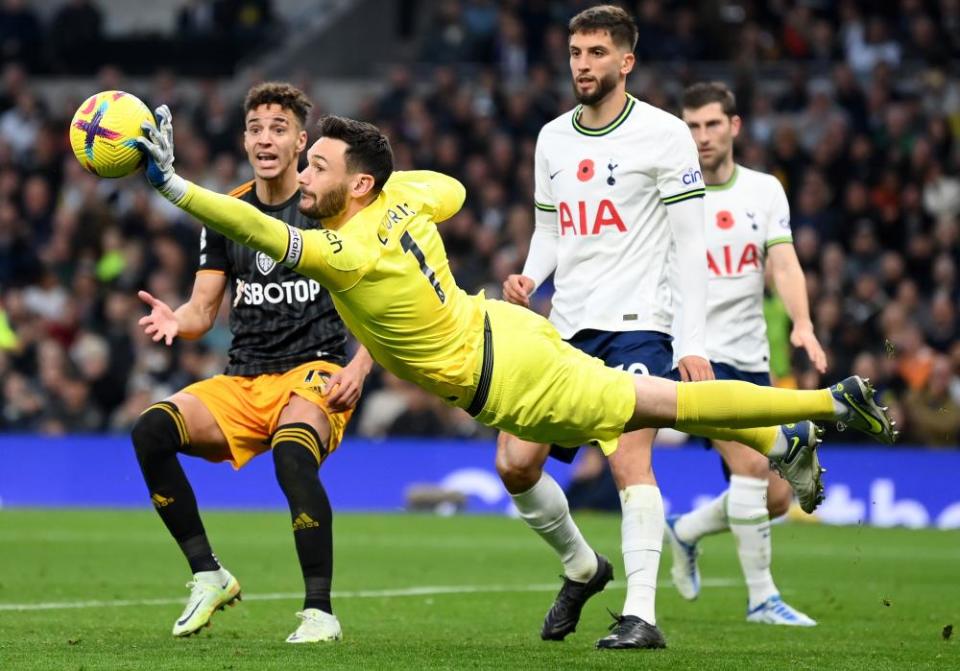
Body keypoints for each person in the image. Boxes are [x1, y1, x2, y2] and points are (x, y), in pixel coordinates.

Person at [135, 103, 896, 649]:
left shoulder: (348, 249)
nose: (303, 173)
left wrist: (173, 186)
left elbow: (257, 227)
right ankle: (775, 438)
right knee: (536, 456)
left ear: (358, 185)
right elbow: (451, 191)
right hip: (506, 327)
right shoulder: (403, 196)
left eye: (318, 164)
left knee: (667, 403)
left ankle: (824, 404)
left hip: (513, 378)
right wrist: (392, 193)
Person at [496, 5, 818, 649]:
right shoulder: (552, 137)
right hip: (565, 327)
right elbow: (551, 230)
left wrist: (690, 343)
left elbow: (692, 247)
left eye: (595, 53)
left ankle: (641, 614)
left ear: (626, 60)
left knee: (629, 462)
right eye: (575, 53)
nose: (582, 65)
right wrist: (530, 276)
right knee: (514, 463)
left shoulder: (666, 136)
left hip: (639, 325)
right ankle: (583, 568)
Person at [132, 83, 373, 643]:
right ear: (245, 139)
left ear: (300, 142)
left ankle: (320, 612)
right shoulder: (227, 213)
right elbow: (201, 310)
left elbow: (382, 298)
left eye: (279, 128)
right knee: (151, 432)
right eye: (257, 128)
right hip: (243, 379)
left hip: (312, 372)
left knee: (293, 455)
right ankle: (208, 574)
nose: (267, 138)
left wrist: (359, 367)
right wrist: (177, 320)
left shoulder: (330, 209)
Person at [663, 81, 828, 627]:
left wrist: (802, 322)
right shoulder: (668, 193)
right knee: (754, 468)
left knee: (774, 498)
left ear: (733, 127)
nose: (702, 136)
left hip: (752, 356)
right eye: (691, 126)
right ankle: (762, 599)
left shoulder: (764, 191)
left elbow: (782, 264)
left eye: (712, 124)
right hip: (695, 355)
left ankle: (686, 529)